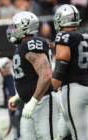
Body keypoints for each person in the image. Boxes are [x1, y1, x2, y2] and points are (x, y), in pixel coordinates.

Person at [7, 11, 60, 140]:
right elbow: (30, 78)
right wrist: (19, 96)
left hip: (43, 101)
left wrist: (33, 101)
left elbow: (46, 75)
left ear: (25, 27)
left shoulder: (32, 44)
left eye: (15, 27)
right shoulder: (22, 46)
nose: (12, 30)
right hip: (31, 102)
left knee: (47, 136)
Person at [52, 4, 88, 140]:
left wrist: (46, 91)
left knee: (80, 136)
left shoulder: (63, 36)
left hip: (74, 90)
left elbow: (60, 69)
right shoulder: (85, 35)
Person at [0, 57, 16, 140]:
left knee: (7, 136)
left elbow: (10, 85)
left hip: (1, 109)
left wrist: (12, 105)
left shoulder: (1, 63)